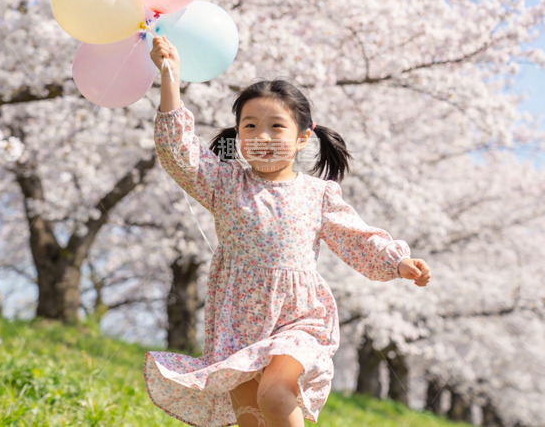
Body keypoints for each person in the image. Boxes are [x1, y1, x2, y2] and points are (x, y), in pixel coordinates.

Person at [144, 36, 431, 427]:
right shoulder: (225, 184)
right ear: (238, 135)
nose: (262, 137)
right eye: (250, 126)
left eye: (276, 126)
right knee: (251, 418)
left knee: (276, 394)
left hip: (299, 316)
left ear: (302, 138)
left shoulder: (318, 193)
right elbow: (179, 152)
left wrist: (397, 261)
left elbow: (356, 237)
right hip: (237, 318)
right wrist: (170, 77)